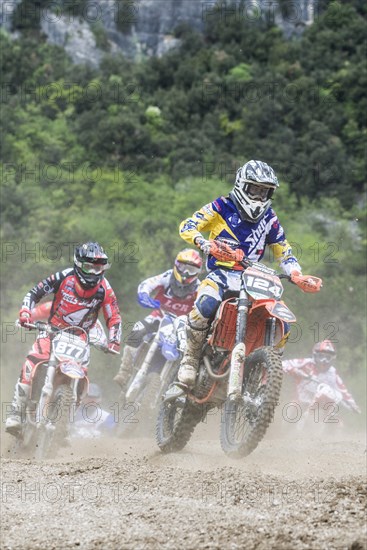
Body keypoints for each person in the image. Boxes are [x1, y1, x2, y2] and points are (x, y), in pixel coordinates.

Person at [177, 159, 309, 387]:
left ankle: (266, 375)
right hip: (220, 273)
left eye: (264, 191)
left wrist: (297, 273)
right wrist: (202, 242)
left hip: (252, 279)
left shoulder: (270, 219)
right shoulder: (222, 206)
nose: (258, 196)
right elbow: (188, 225)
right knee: (206, 304)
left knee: (282, 320)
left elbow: (283, 250)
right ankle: (190, 359)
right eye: (254, 189)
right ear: (241, 184)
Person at [6, 242, 122, 434]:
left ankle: (64, 425)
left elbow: (114, 315)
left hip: (80, 338)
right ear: (78, 264)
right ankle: (16, 413)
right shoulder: (64, 276)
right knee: (31, 363)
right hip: (53, 331)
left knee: (82, 373)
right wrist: (26, 312)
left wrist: (114, 340)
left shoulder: (105, 289)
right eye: (88, 267)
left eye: (98, 267)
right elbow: (35, 292)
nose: (93, 272)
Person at [113, 249, 202, 389]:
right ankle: (125, 371)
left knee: (192, 351)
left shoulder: (200, 287)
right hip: (159, 317)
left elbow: (205, 305)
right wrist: (144, 295)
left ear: (197, 272)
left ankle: (177, 386)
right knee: (137, 329)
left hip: (181, 327)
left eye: (191, 269)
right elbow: (146, 284)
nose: (185, 272)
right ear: (176, 265)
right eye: (183, 267)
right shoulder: (167, 276)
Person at [282, 340, 361, 413]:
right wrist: (293, 370)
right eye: (321, 356)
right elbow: (282, 364)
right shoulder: (305, 363)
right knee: (291, 409)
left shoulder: (333, 373)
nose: (324, 361)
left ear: (332, 359)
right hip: (300, 402)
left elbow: (344, 392)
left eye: (328, 358)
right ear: (315, 355)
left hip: (319, 408)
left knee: (338, 423)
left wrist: (354, 406)